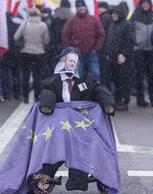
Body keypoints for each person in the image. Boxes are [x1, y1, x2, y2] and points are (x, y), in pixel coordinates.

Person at [35, 47, 115, 192]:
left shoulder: (87, 79)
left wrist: (107, 103)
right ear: (63, 61)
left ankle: (78, 181)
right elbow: (47, 94)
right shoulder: (51, 82)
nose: (72, 63)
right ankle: (44, 174)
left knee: (80, 146)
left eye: (75, 61)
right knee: (56, 148)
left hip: (81, 126)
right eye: (69, 60)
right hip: (61, 127)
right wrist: (47, 105)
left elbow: (99, 89)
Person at [62, 0, 105, 81]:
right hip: (77, 54)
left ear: (86, 7)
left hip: (92, 53)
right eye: (78, 6)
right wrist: (71, 49)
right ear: (76, 8)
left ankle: (93, 91)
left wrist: (96, 48)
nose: (81, 8)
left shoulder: (94, 19)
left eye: (82, 6)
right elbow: (65, 35)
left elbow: (101, 34)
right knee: (78, 75)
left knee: (95, 74)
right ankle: (80, 92)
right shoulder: (71, 21)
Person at [14, 8, 50, 103]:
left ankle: (25, 97)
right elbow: (46, 40)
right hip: (39, 53)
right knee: (37, 76)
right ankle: (37, 97)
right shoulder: (43, 25)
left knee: (25, 75)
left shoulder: (25, 24)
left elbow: (16, 37)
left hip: (26, 52)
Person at [103, 3, 134, 111]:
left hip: (122, 56)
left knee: (123, 80)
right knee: (115, 79)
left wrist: (124, 54)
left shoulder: (127, 24)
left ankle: (125, 101)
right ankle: (117, 99)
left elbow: (129, 41)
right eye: (113, 13)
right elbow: (109, 39)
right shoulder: (112, 24)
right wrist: (107, 52)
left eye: (116, 13)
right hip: (112, 56)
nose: (113, 15)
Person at [131, 0, 153, 107]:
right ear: (141, 4)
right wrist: (134, 44)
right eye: (144, 2)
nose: (145, 5)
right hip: (139, 50)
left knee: (152, 76)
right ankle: (140, 99)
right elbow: (130, 33)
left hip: (152, 50)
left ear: (150, 4)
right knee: (140, 76)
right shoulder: (135, 16)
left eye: (147, 2)